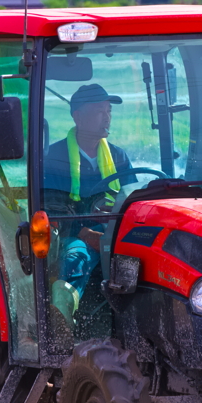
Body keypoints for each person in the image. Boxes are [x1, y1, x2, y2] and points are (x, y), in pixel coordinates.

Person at [43, 84, 137, 299]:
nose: (107, 118)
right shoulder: (54, 158)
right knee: (76, 256)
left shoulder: (118, 156)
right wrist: (84, 233)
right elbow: (51, 211)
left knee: (139, 260)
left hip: (114, 235)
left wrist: (114, 232)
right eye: (99, 112)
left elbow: (133, 201)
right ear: (78, 116)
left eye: (109, 111)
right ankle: (64, 311)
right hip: (74, 235)